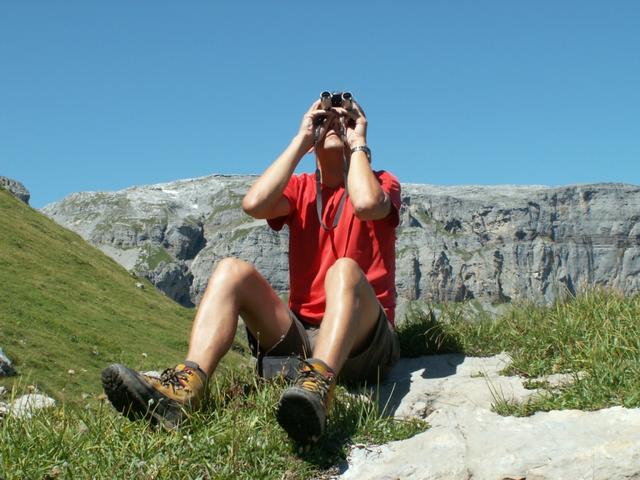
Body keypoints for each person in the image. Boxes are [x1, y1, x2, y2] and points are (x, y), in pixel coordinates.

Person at [101, 92, 401, 443]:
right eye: (326, 119)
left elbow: (366, 204)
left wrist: (358, 141)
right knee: (231, 270)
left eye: (343, 119)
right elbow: (254, 204)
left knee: (344, 269)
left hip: (365, 341)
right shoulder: (301, 189)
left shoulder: (383, 181)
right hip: (303, 334)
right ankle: (186, 390)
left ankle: (319, 388)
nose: (335, 124)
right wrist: (301, 140)